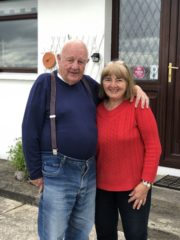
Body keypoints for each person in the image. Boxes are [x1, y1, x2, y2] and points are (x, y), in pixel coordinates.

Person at [22, 40, 149, 240]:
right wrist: (35, 171)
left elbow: (114, 89)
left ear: (87, 62)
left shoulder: (88, 85)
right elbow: (29, 128)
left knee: (81, 231)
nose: (75, 66)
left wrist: (135, 88)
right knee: (53, 233)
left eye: (81, 61)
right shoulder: (46, 83)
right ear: (58, 59)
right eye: (70, 60)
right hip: (58, 169)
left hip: (89, 173)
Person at [95, 60, 162, 240]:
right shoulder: (96, 108)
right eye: (108, 79)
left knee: (136, 235)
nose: (113, 85)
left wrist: (146, 183)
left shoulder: (138, 106)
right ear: (102, 83)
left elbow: (154, 146)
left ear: (128, 84)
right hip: (101, 188)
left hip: (134, 189)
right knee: (105, 235)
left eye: (119, 80)